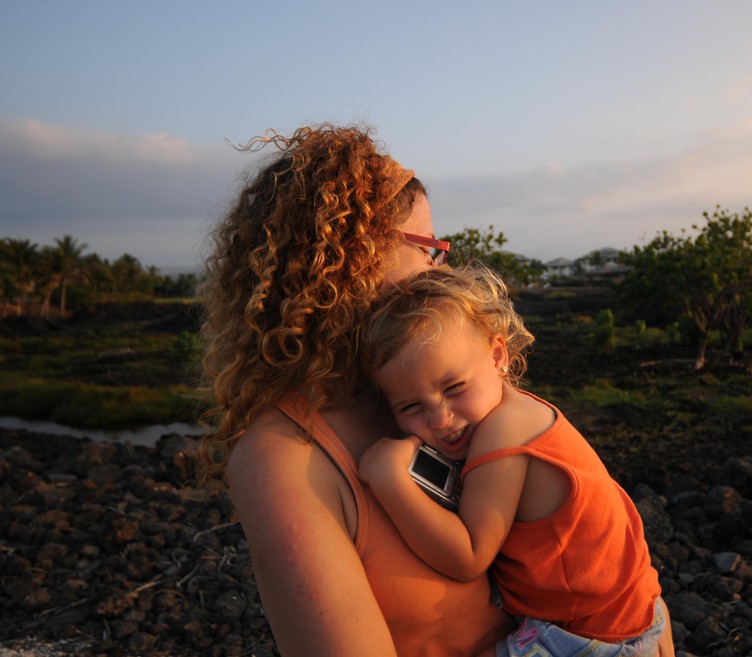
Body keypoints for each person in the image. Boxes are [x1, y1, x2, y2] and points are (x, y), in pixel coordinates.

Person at [198, 124, 515, 657]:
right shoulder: (285, 459)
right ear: (355, 258)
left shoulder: (431, 395)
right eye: (430, 248)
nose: (445, 270)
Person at [358, 264, 675, 657]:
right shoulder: (517, 410)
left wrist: (389, 479)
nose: (440, 419)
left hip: (595, 636)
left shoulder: (503, 432)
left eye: (454, 387)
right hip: (632, 608)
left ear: (497, 355)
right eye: (410, 407)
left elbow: (469, 555)